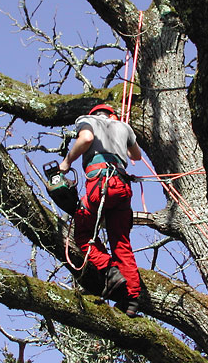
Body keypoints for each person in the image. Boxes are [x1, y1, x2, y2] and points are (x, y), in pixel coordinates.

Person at [60, 104, 141, 317]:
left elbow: (86, 138)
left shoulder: (86, 120)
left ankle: (110, 271)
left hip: (101, 183)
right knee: (121, 242)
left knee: (83, 234)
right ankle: (132, 301)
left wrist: (67, 162)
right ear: (111, 114)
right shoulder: (123, 126)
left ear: (94, 113)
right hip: (123, 187)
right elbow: (137, 156)